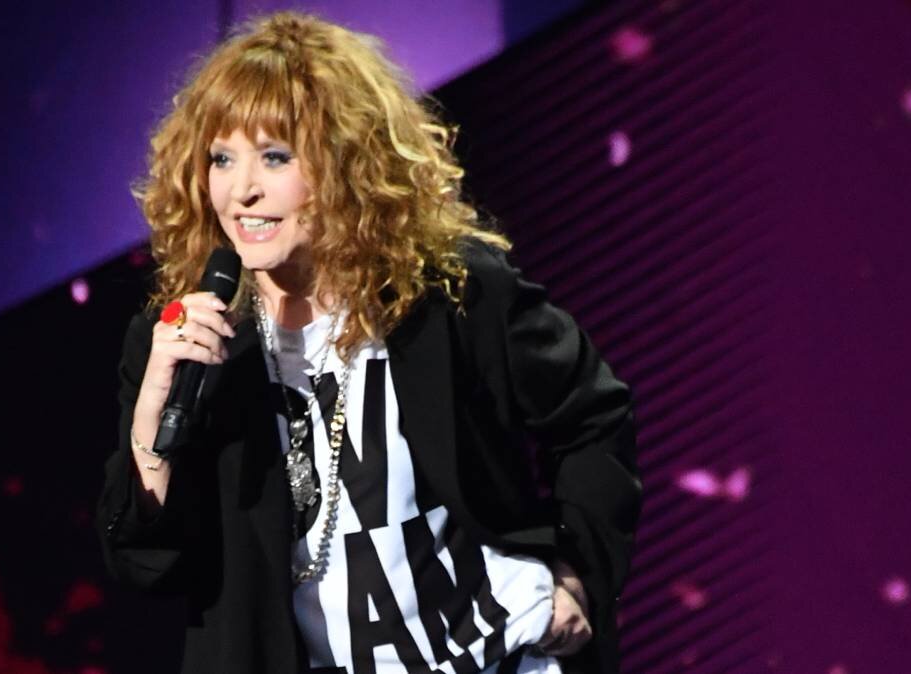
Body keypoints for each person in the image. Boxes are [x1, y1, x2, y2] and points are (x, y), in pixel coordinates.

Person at [97, 12, 640, 674]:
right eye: (221, 158)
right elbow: (146, 565)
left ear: (343, 162)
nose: (242, 191)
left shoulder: (447, 295)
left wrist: (577, 572)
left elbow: (593, 418)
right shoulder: (193, 343)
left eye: (275, 156)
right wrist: (154, 414)